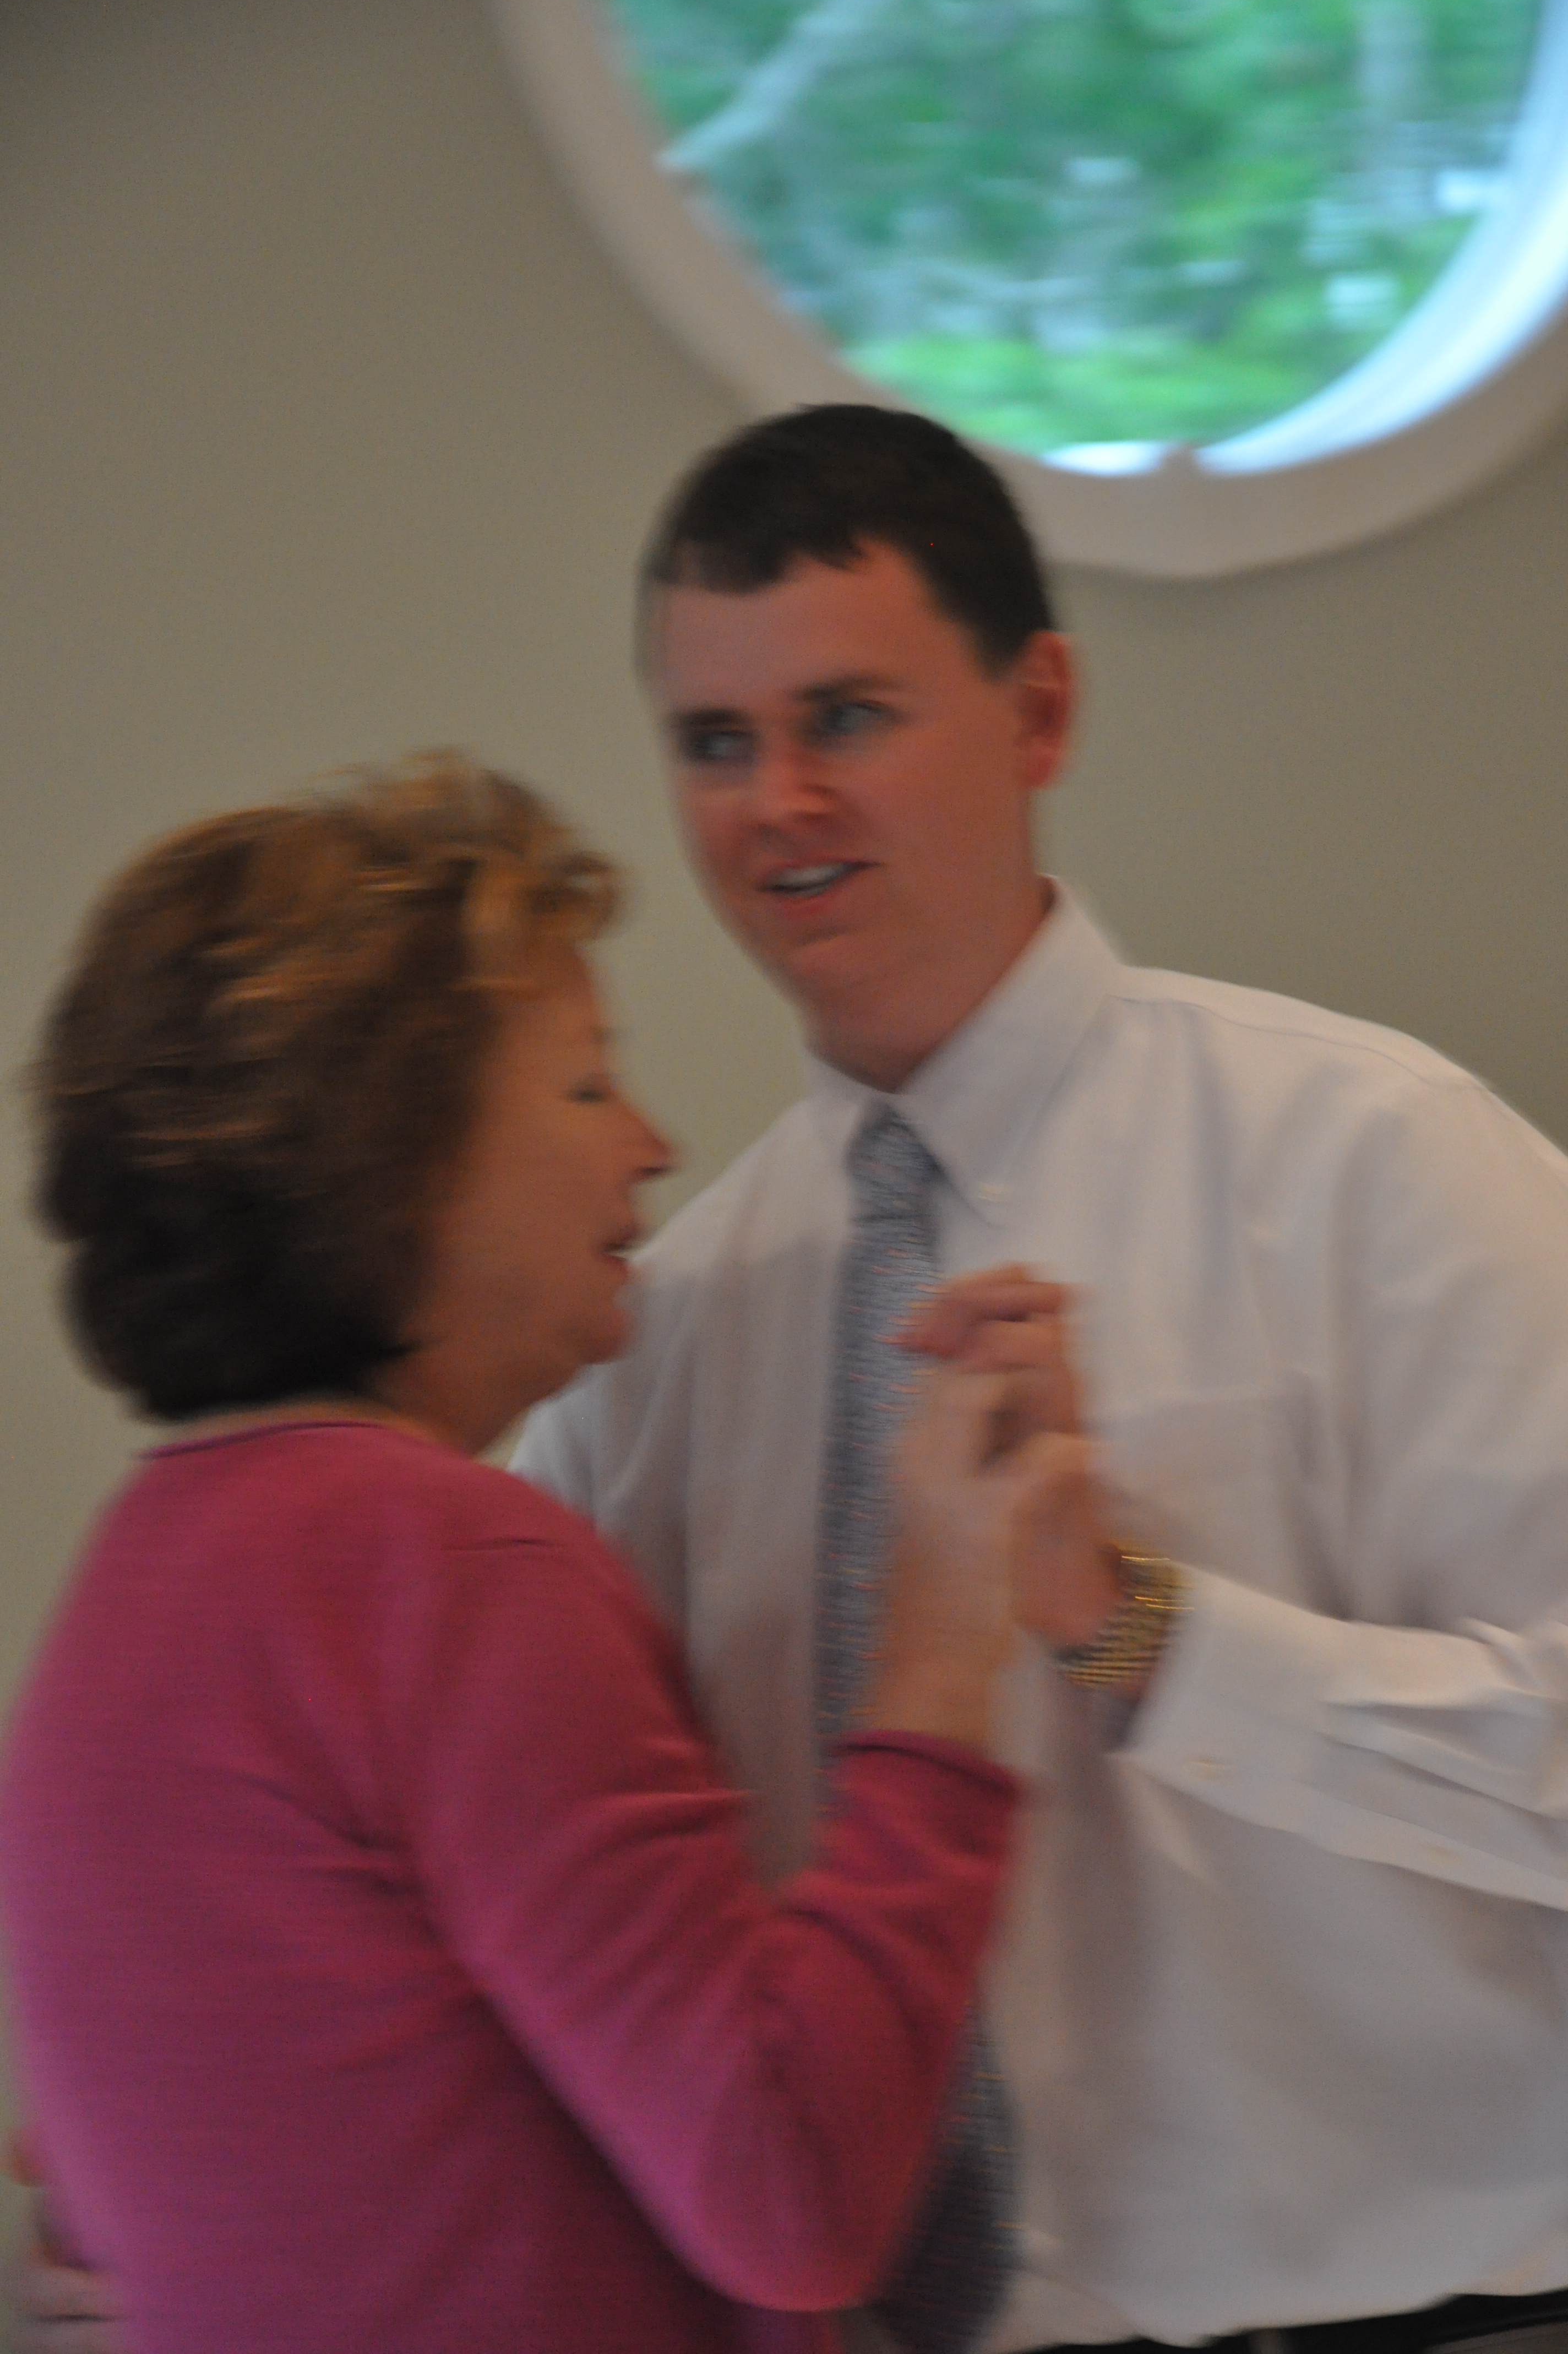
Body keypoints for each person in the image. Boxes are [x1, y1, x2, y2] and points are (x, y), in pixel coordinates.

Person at [509, 407, 1568, 2354]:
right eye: (715, 742)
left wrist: (1148, 1636)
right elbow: (539, 1906)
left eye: (846, 717)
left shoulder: (1375, 1161)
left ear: (1043, 711)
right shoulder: (658, 1344)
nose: (776, 804)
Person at [0, 753, 1097, 2354]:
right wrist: (938, 1648)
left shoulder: (126, 1597)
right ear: (404, 1154)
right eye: (586, 1087)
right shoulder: (446, 1569)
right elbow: (795, 2194)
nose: (649, 1145)